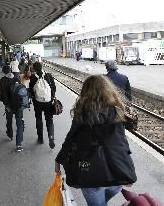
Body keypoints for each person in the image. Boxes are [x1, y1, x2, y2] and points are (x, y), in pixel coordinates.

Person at [55, 75, 136, 206]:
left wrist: (59, 160)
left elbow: (70, 140)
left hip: (88, 171)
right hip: (116, 173)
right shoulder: (118, 112)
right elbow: (121, 144)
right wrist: (128, 171)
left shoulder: (82, 114)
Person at [29, 62, 56, 149]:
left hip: (37, 102)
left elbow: (31, 91)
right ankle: (51, 137)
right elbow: (54, 88)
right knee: (49, 119)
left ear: (34, 69)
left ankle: (40, 139)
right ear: (42, 67)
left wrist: (33, 98)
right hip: (48, 102)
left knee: (39, 119)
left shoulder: (33, 77)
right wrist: (51, 99)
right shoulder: (48, 76)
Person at [0, 65, 24, 152]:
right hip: (18, 105)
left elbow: (1, 95)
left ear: (3, 72)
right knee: (19, 124)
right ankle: (19, 144)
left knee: (9, 120)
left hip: (9, 106)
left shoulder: (2, 81)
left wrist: (5, 103)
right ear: (10, 71)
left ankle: (10, 134)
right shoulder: (16, 78)